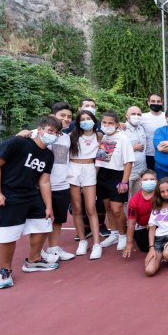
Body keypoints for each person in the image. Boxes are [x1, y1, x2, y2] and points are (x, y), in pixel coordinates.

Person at [0, 116, 62, 289]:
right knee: (8, 235)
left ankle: (34, 260)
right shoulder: (19, 142)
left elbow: (44, 181)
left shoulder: (48, 155)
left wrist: (49, 206)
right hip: (8, 194)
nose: (53, 135)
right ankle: (4, 271)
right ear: (40, 129)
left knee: (44, 224)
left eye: (57, 133)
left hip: (30, 194)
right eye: (50, 131)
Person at [16, 103, 75, 263]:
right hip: (39, 186)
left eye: (69, 116)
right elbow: (17, 146)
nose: (66, 119)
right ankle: (38, 252)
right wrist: (19, 135)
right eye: (62, 115)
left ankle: (54, 249)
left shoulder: (66, 138)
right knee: (39, 222)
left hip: (62, 184)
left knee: (58, 220)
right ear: (52, 115)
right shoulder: (36, 133)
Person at [95, 111, 136, 256]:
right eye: (104, 123)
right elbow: (101, 159)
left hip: (117, 176)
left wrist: (124, 182)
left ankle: (123, 235)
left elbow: (129, 161)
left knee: (117, 208)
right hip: (102, 176)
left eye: (110, 123)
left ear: (117, 124)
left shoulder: (123, 138)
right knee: (107, 207)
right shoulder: (103, 137)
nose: (107, 125)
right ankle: (114, 233)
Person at [68, 110, 103, 258]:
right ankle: (82, 240)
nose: (85, 121)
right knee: (76, 207)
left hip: (90, 169)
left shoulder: (100, 136)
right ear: (78, 122)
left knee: (90, 208)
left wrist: (94, 172)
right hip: (73, 169)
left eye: (88, 118)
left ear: (94, 120)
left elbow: (102, 157)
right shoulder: (72, 136)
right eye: (82, 119)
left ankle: (96, 244)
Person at [123, 170, 157, 258]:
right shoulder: (134, 200)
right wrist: (129, 243)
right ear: (140, 182)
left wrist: (154, 224)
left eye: (151, 179)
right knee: (145, 248)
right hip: (142, 225)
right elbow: (131, 223)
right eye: (145, 180)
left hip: (159, 224)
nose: (148, 181)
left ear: (156, 181)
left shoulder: (161, 194)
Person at [124, 105, 147, 195]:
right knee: (126, 199)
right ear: (126, 115)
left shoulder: (141, 128)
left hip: (141, 171)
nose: (136, 116)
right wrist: (133, 148)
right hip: (128, 172)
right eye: (133, 114)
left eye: (139, 114)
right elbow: (115, 151)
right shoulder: (121, 129)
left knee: (139, 197)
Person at [141, 94, 167, 170]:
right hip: (148, 154)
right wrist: (121, 124)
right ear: (148, 103)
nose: (156, 103)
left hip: (164, 153)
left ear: (162, 103)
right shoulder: (142, 117)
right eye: (153, 101)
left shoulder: (167, 116)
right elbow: (130, 124)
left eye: (158, 101)